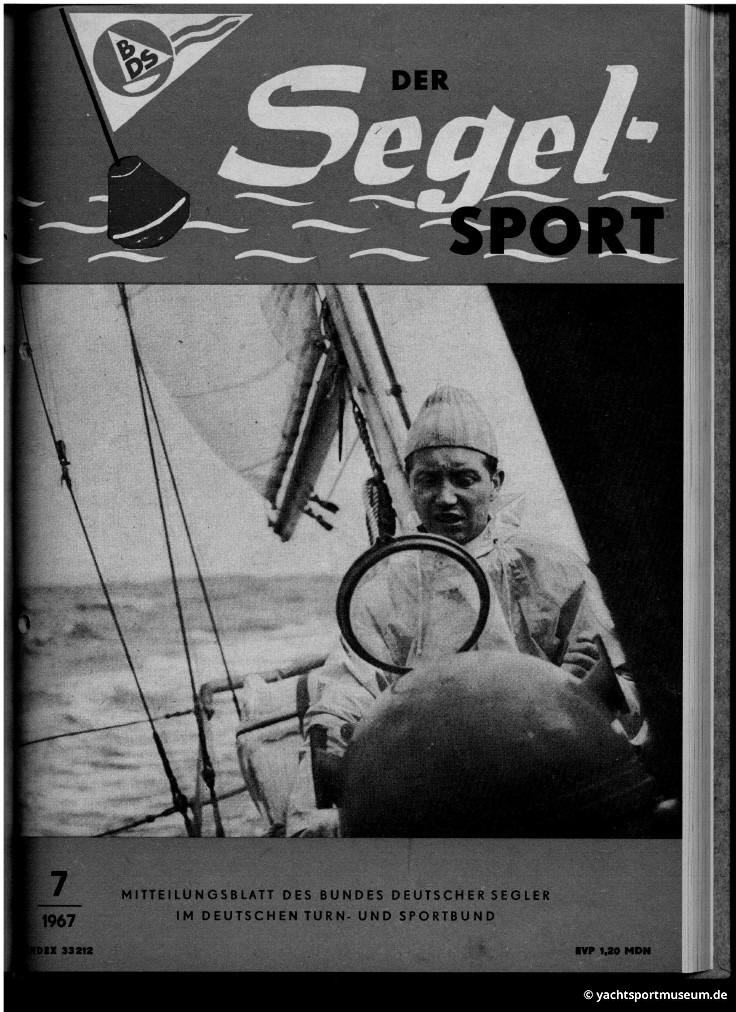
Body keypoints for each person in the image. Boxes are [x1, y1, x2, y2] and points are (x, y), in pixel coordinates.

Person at [285, 385, 644, 836]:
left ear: (495, 482)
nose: (445, 497)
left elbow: (627, 676)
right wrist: (332, 738)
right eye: (428, 481)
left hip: (549, 772)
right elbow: (348, 685)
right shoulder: (385, 585)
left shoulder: (549, 567)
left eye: (464, 478)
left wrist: (581, 690)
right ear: (409, 485)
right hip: (432, 786)